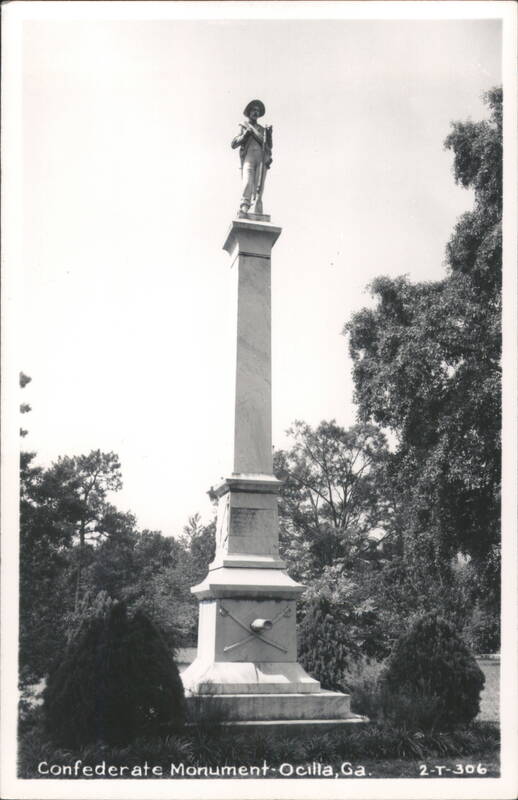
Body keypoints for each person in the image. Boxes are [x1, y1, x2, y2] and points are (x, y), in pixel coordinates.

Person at [231, 99, 272, 215]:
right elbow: (233, 144)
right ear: (249, 112)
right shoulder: (244, 126)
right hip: (249, 157)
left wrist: (269, 135)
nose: (255, 113)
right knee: (247, 182)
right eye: (253, 110)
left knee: (259, 184)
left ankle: (257, 205)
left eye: (257, 111)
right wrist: (245, 134)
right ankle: (244, 205)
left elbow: (269, 146)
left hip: (261, 157)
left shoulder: (262, 130)